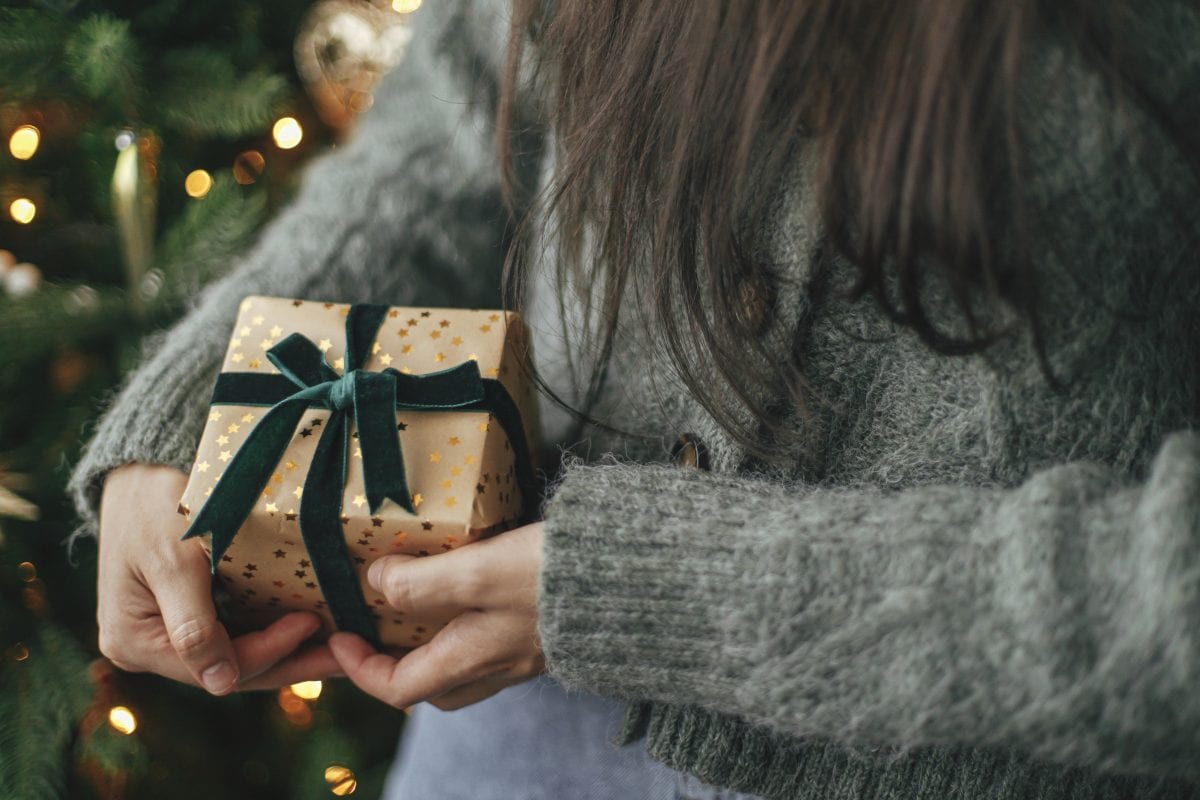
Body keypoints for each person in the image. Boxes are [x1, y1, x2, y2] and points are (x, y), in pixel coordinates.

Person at [69, 0, 1200, 798]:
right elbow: (458, 134)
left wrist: (662, 593)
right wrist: (209, 395)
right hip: (522, 714)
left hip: (984, 751)